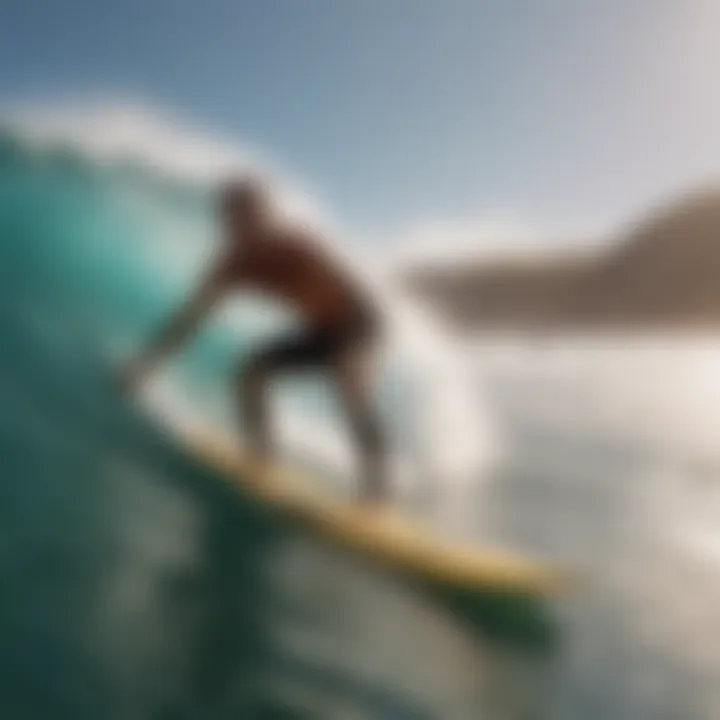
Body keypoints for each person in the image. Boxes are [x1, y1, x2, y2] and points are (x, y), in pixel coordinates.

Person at [120, 177, 387, 505]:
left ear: (267, 215)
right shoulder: (231, 265)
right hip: (321, 330)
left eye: (253, 215)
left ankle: (375, 489)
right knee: (250, 373)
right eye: (236, 218)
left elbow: (351, 298)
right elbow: (189, 320)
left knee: (347, 378)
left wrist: (356, 353)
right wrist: (145, 367)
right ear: (227, 222)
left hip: (359, 322)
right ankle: (261, 459)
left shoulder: (298, 246)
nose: (246, 225)